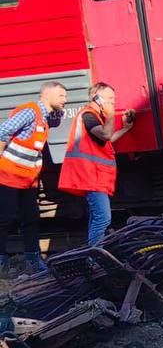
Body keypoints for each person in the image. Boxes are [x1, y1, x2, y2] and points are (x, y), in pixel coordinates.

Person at [0, 80, 67, 272]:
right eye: (61, 95)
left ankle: (32, 259)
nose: (65, 100)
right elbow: (3, 131)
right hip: (8, 175)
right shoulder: (31, 112)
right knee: (4, 218)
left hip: (27, 181)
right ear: (47, 95)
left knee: (31, 219)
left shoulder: (43, 119)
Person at [58, 82, 134, 247]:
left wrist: (125, 129)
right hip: (90, 175)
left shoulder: (94, 117)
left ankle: (93, 256)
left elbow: (107, 141)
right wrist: (111, 114)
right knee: (103, 217)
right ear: (97, 98)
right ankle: (94, 257)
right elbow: (106, 135)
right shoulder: (89, 115)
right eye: (110, 99)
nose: (113, 102)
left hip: (95, 176)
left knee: (97, 217)